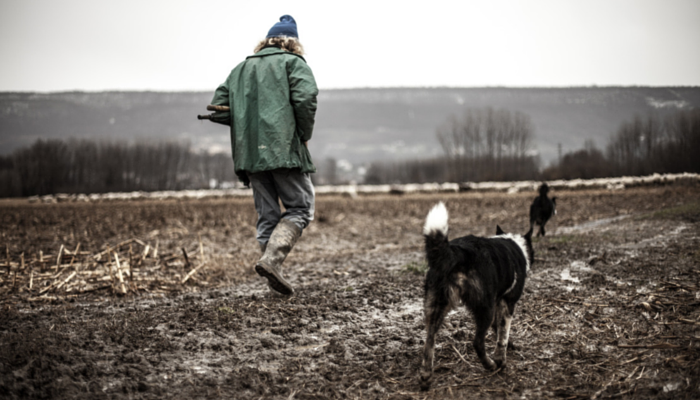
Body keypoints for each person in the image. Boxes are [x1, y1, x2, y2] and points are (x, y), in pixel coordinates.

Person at [208, 15, 318, 296]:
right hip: (283, 151)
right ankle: (271, 261)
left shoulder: (240, 69)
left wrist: (246, 120)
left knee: (267, 214)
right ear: (292, 42)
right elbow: (306, 99)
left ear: (266, 41)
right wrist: (304, 134)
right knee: (301, 208)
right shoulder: (293, 63)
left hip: (250, 155)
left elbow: (219, 107)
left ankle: (273, 273)